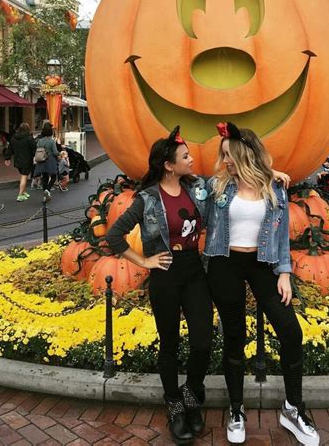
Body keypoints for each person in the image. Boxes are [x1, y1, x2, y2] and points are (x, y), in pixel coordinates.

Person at [204, 122, 319, 446]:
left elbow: (281, 235)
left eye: (230, 155)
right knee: (235, 336)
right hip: (225, 263)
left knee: (290, 332)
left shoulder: (274, 187)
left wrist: (284, 272)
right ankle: (237, 410)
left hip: (263, 263)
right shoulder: (216, 187)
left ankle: (293, 408)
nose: (225, 161)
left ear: (244, 154)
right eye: (223, 155)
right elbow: (185, 186)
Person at [105, 127, 212, 445]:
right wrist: (145, 262)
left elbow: (230, 179)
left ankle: (192, 396)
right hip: (165, 275)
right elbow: (114, 235)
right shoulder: (147, 199)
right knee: (170, 344)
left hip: (194, 271)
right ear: (168, 165)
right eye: (185, 156)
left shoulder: (198, 188)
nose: (192, 160)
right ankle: (175, 406)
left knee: (202, 342)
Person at [4, 122, 37, 201]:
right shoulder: (29, 138)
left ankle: (23, 192)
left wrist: (7, 158)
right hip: (27, 160)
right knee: (24, 176)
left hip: (17, 160)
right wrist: (34, 156)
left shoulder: (13, 138)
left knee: (23, 176)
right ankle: (20, 195)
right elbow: (34, 149)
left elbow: (9, 149)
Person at [33, 122, 60, 201]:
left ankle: (45, 195)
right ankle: (47, 190)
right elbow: (55, 152)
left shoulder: (40, 141)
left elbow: (37, 148)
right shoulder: (51, 141)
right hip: (50, 160)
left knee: (45, 177)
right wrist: (59, 154)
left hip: (42, 161)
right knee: (53, 176)